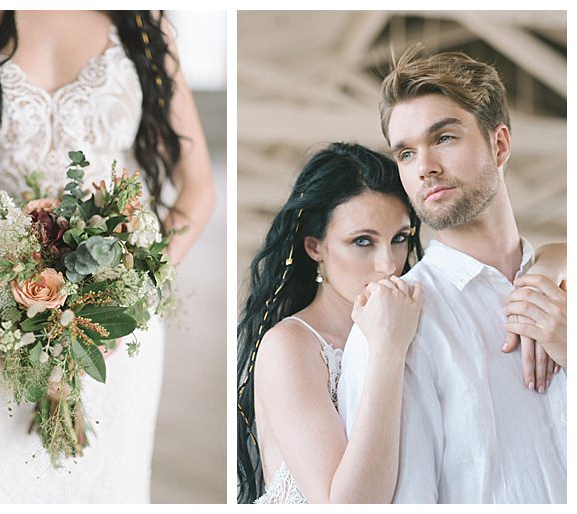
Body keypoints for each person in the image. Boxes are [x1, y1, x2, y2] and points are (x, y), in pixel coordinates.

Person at [0, 10, 215, 503]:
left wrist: (125, 298)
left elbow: (197, 187)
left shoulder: (141, 15)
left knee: (110, 492)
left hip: (115, 329)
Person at [337, 47, 566, 503]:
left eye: (443, 138)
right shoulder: (397, 327)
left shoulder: (564, 287)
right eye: (405, 153)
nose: (425, 167)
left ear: (499, 145)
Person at [237, 142, 425, 504]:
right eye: (362, 241)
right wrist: (388, 349)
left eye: (399, 238)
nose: (388, 264)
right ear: (314, 248)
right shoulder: (291, 346)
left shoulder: (410, 322)